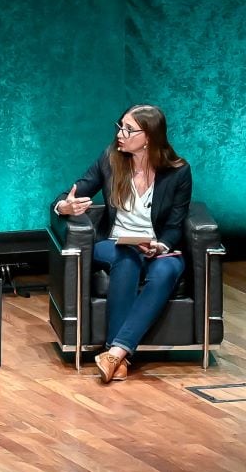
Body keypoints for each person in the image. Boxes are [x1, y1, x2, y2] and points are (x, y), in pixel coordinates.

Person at [52, 105, 192, 383]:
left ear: (149, 136)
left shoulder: (178, 172)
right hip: (114, 243)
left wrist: (160, 246)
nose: (121, 134)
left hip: (158, 249)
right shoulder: (110, 159)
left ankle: (116, 353)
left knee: (165, 271)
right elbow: (70, 194)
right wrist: (64, 207)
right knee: (126, 257)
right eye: (120, 126)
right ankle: (117, 353)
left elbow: (175, 226)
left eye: (129, 129)